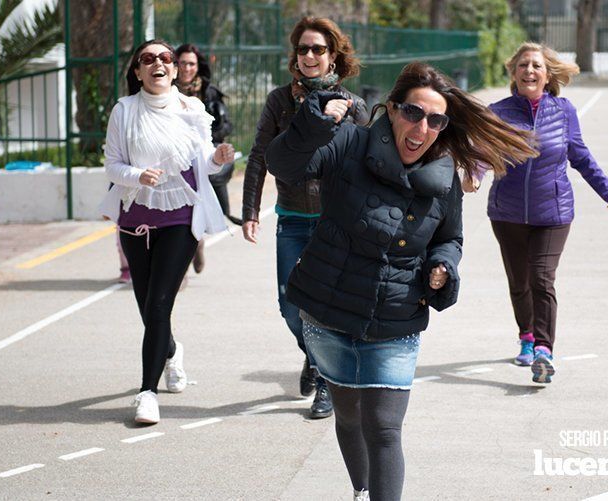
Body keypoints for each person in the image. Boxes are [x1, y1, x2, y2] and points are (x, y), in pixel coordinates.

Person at [266, 62, 536, 501]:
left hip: (396, 316)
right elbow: (285, 163)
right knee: (349, 417)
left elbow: (451, 238)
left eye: (436, 120)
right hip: (329, 310)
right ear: (391, 110)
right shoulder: (347, 142)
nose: (422, 127)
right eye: (413, 113)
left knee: (385, 428)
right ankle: (361, 490)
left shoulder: (444, 176)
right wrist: (316, 119)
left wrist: (444, 266)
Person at [99, 39, 234, 424]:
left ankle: (147, 393)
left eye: (165, 58)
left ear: (175, 70)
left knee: (160, 304)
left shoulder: (192, 108)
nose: (158, 63)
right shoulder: (123, 111)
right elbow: (111, 166)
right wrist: (136, 174)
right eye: (148, 59)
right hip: (135, 219)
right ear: (138, 71)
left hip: (181, 217)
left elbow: (205, 162)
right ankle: (171, 352)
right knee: (148, 309)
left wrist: (218, 158)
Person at [241, 17, 369, 419]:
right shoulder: (280, 101)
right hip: (292, 217)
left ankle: (325, 378)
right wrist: (250, 210)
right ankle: (315, 356)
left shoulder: (353, 105)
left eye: (318, 49)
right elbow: (261, 154)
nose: (310, 56)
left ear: (333, 55)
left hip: (336, 221)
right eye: (303, 49)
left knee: (329, 304)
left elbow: (369, 159)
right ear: (295, 57)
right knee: (289, 304)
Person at [484, 42, 608, 383]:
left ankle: (544, 351)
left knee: (542, 278)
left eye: (535, 66)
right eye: (523, 66)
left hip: (554, 211)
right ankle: (527, 337)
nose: (529, 71)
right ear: (514, 74)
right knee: (519, 282)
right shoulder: (497, 111)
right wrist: (471, 175)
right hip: (508, 212)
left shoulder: (563, 111)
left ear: (547, 75)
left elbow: (579, 155)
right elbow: (481, 152)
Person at [174, 43, 242, 275]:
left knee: (199, 205)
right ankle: (187, 254)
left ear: (198, 66)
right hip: (174, 159)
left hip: (203, 158)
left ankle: (196, 242)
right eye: (182, 63)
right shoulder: (165, 91)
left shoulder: (209, 92)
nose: (186, 68)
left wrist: (211, 139)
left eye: (191, 63)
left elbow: (227, 124)